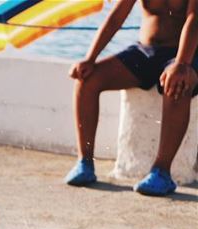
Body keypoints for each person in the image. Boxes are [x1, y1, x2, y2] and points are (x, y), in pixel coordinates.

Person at [65, 0, 198, 196]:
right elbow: (116, 17)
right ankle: (84, 162)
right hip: (145, 52)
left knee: (177, 85)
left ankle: (162, 171)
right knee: (87, 80)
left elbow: (194, 19)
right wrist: (90, 58)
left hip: (185, 54)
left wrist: (181, 63)